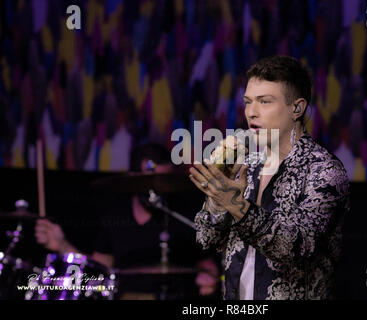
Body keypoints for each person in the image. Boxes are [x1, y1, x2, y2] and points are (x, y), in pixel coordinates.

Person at [189, 55, 350, 300]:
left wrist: (236, 206)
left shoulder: (324, 171)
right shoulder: (246, 164)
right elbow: (206, 240)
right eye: (247, 102)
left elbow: (296, 248)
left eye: (265, 102)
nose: (251, 112)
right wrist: (217, 200)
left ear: (297, 108)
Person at [35, 143, 220, 299]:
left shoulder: (180, 216)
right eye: (151, 180)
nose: (159, 188)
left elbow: (206, 265)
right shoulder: (117, 215)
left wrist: (209, 279)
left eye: (165, 180)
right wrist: (63, 246)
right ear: (133, 178)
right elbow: (99, 269)